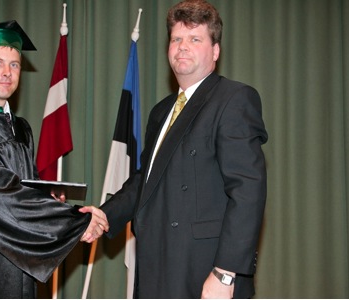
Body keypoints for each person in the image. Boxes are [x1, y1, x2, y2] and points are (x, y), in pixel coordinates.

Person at [98, 0, 268, 298]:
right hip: (155, 268)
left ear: (215, 51)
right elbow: (144, 182)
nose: (182, 46)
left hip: (204, 273)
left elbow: (248, 190)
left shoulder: (234, 98)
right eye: (176, 38)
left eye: (195, 39)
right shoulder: (161, 112)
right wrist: (103, 217)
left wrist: (225, 274)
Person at [0, 20, 108, 298]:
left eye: (14, 65)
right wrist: (74, 220)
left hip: (17, 258)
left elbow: (24, 189)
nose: (7, 73)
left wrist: (50, 199)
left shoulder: (21, 127)